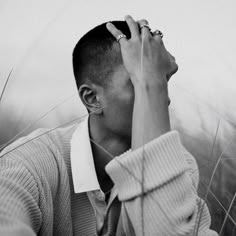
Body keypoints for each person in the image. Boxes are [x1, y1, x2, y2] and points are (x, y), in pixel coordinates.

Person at [0, 15, 217, 235]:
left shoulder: (179, 164)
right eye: (139, 81)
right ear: (92, 99)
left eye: (161, 83)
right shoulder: (27, 166)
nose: (161, 100)